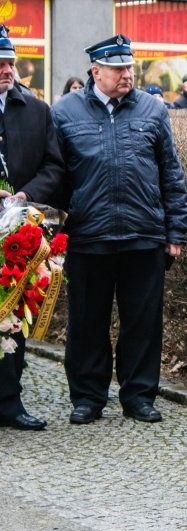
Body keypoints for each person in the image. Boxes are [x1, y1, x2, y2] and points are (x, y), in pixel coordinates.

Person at [51, 34, 187, 425]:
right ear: (96, 71)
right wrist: (55, 233)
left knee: (142, 323)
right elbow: (57, 177)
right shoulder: (64, 113)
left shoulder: (152, 110)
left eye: (129, 67)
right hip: (87, 237)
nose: (127, 74)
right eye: (117, 68)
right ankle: (88, 398)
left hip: (143, 235)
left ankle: (139, 395)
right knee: (86, 322)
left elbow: (171, 174)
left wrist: (174, 232)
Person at [0, 25, 65, 431]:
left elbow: (55, 165)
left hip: (20, 228)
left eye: (9, 62)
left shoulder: (37, 110)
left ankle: (9, 400)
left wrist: (24, 195)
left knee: (13, 317)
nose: (6, 69)